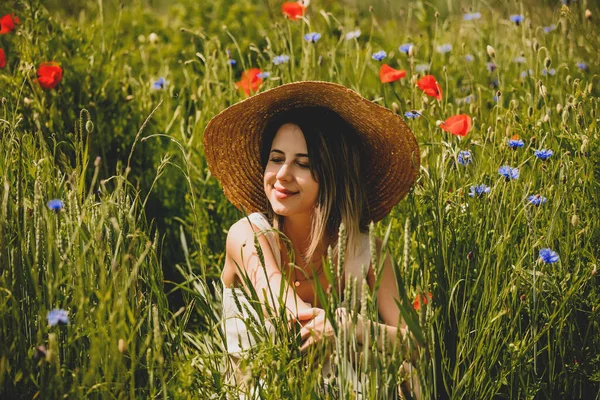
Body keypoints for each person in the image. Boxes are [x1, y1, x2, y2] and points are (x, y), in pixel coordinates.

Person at [203, 81, 420, 398]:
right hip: (262, 392)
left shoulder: (366, 251)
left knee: (409, 370)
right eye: (276, 159)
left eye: (303, 164)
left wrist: (352, 328)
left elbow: (417, 344)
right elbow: (279, 300)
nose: (282, 175)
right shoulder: (247, 234)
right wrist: (336, 326)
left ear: (333, 174)